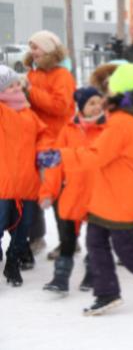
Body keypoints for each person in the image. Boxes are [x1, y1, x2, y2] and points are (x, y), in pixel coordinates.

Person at [37, 63, 133, 316]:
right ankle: (111, 291)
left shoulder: (122, 122)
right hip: (113, 190)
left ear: (117, 92)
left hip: (119, 192)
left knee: (121, 246)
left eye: (108, 91)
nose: (105, 96)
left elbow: (97, 154)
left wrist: (62, 156)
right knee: (98, 240)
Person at [39, 87, 106, 294]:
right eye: (91, 103)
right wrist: (48, 192)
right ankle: (61, 277)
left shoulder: (109, 128)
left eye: (98, 102)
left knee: (96, 238)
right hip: (73, 191)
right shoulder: (68, 129)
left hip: (100, 193)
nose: (96, 107)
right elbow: (56, 164)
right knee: (67, 236)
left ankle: (92, 271)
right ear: (81, 107)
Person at [24, 30, 77, 260]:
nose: (32, 52)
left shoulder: (62, 75)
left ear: (48, 50)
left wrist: (30, 92)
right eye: (31, 47)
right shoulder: (32, 75)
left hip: (56, 142)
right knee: (33, 191)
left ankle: (69, 241)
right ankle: (36, 236)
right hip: (33, 141)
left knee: (57, 194)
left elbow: (60, 106)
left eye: (37, 47)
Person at [0, 65, 50, 287]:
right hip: (3, 182)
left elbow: (43, 136)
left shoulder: (29, 114)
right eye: (9, 86)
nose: (15, 88)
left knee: (24, 227)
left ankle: (13, 260)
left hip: (28, 181)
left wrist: (45, 152)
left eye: (16, 84)